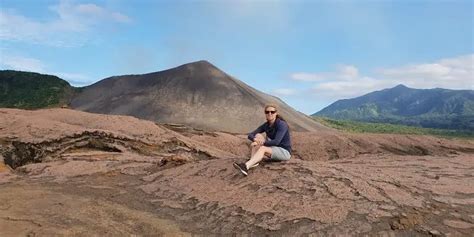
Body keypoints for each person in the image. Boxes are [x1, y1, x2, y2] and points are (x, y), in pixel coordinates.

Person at [233, 104, 292, 176]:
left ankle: (246, 166)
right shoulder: (266, 125)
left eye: (272, 112)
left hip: (284, 152)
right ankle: (254, 162)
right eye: (267, 112)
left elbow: (276, 142)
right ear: (265, 114)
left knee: (262, 148)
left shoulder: (281, 124)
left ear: (276, 113)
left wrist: (262, 143)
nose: (269, 113)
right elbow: (250, 135)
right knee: (257, 136)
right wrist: (255, 140)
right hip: (273, 149)